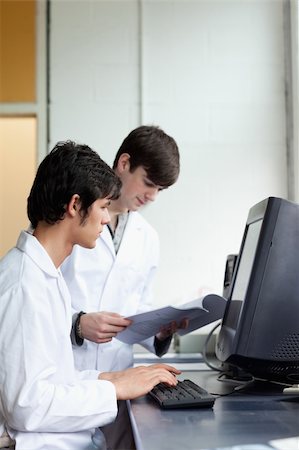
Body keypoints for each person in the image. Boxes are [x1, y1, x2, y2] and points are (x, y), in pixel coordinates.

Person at [0, 141, 180, 450]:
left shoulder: (44, 275)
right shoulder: (23, 285)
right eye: (101, 207)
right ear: (74, 206)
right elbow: (27, 406)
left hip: (71, 423)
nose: (106, 218)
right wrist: (114, 388)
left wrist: (116, 380)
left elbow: (56, 380)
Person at [61, 126, 186, 449]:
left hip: (119, 383)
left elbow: (138, 307)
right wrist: (77, 323)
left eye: (161, 189)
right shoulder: (71, 216)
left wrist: (160, 330)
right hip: (69, 380)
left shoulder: (148, 237)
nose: (153, 196)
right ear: (124, 163)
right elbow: (37, 296)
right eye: (148, 183)